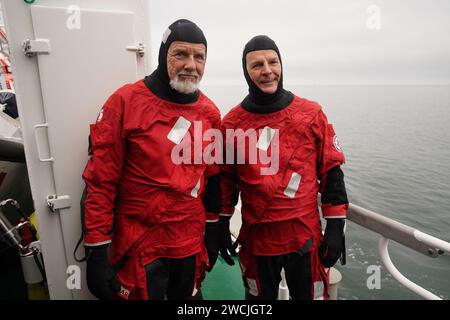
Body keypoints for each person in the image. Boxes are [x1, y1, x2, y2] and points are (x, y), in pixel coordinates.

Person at [81, 19, 224, 300]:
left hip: (189, 245)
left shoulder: (210, 113)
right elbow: (101, 183)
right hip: (141, 247)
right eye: (180, 54)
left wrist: (213, 228)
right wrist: (96, 250)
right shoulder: (124, 103)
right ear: (163, 54)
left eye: (199, 57)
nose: (190, 65)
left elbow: (212, 177)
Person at [219, 35, 348, 300]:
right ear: (246, 72)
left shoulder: (311, 114)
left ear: (281, 64)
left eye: (272, 62)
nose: (267, 70)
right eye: (257, 65)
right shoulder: (231, 123)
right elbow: (224, 182)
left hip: (304, 238)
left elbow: (331, 170)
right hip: (257, 240)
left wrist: (335, 226)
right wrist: (219, 224)